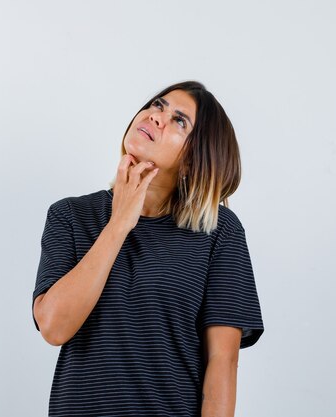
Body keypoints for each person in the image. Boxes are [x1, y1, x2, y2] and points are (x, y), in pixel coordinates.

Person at [32, 80, 265, 417]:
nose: (158, 116)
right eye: (158, 105)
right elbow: (54, 327)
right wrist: (119, 224)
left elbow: (223, 363)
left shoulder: (219, 232)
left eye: (179, 120)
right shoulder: (70, 216)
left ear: (193, 159)